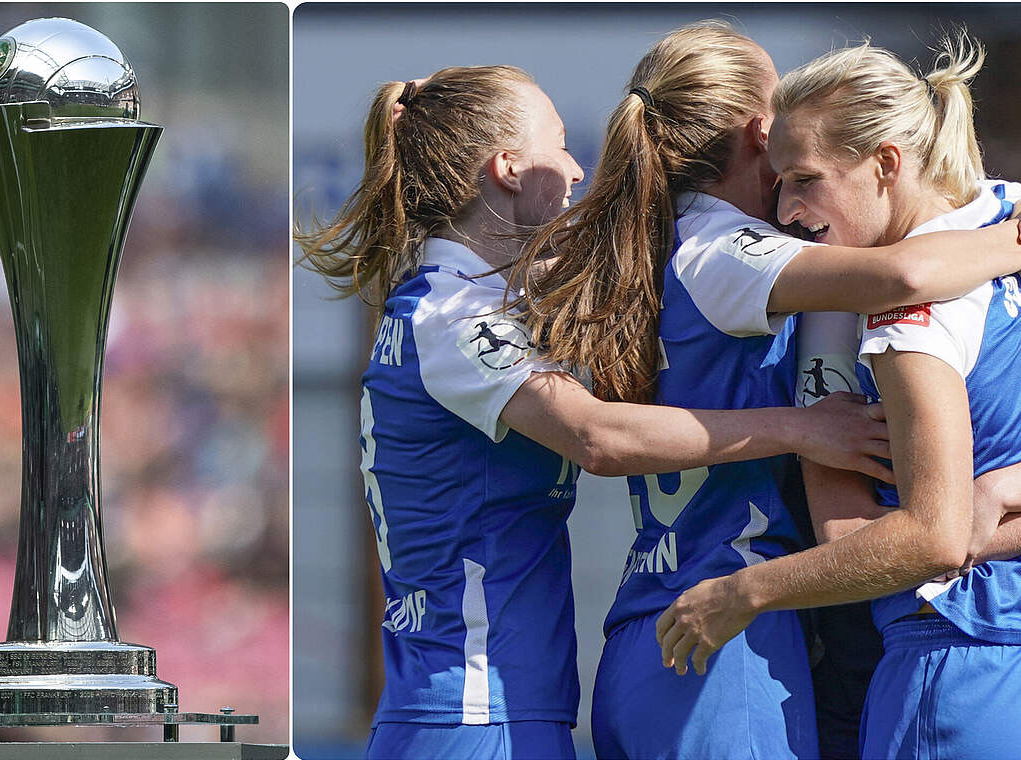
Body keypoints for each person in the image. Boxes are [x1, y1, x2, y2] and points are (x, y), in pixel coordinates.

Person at [512, 21, 1021, 760]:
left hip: (675, 627)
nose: (794, 198)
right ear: (763, 134)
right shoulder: (730, 251)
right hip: (726, 640)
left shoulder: (680, 242)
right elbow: (906, 276)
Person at [294, 64, 893, 760]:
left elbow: (626, 269)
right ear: (509, 167)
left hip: (508, 704)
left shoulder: (475, 297)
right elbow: (597, 437)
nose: (578, 168)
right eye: (559, 144)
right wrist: (806, 430)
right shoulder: (449, 312)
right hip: (471, 711)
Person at [655, 34, 1021, 759]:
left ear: (887, 163)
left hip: (957, 676)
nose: (785, 210)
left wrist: (745, 592)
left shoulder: (900, 320)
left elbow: (890, 540)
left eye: (804, 180)